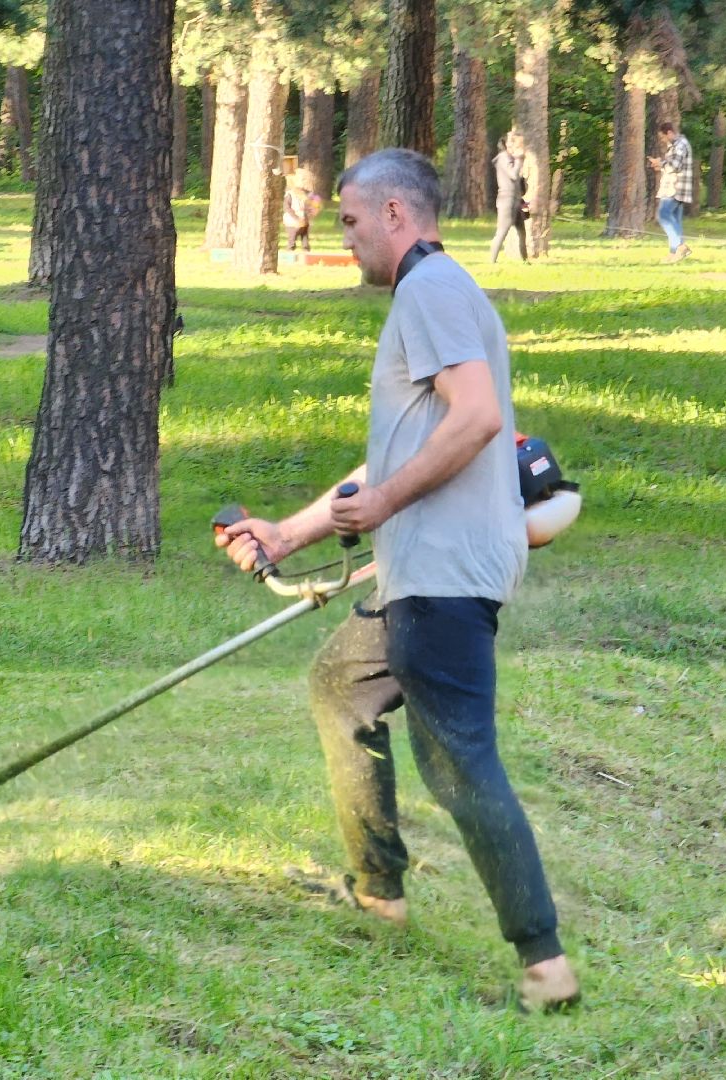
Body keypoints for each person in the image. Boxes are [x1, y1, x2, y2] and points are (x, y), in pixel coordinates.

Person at [216, 148, 580, 1012]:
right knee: (343, 687)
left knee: (460, 766)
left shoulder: (433, 289)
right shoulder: (436, 295)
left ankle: (545, 965)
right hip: (425, 570)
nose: (344, 242)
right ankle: (379, 891)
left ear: (394, 216)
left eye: (348, 223)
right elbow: (407, 446)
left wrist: (379, 503)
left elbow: (482, 421)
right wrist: (291, 531)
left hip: (444, 577)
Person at [648, 121, 693, 263]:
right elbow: (672, 165)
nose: (663, 140)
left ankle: (680, 246)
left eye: (663, 137)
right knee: (675, 221)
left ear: (669, 133)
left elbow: (675, 165)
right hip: (674, 187)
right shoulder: (675, 145)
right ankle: (674, 254)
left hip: (675, 188)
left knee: (663, 215)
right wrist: (660, 165)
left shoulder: (680, 144)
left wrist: (660, 163)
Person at [490, 133, 527, 264]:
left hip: (516, 200)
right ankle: (492, 261)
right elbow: (512, 174)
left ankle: (525, 260)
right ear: (508, 145)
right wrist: (519, 161)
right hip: (507, 200)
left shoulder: (510, 158)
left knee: (522, 232)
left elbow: (518, 182)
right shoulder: (503, 158)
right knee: (502, 231)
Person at [284, 185, 314, 251]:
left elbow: (308, 207)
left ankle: (306, 250)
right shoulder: (290, 195)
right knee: (292, 238)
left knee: (305, 237)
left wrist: (308, 217)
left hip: (303, 219)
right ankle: (290, 251)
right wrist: (296, 218)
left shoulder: (305, 195)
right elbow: (287, 207)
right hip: (292, 221)